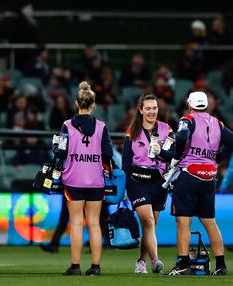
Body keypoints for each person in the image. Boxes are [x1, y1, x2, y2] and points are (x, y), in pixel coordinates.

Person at [166, 91, 233, 276]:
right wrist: (218, 158)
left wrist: (176, 158)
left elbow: (181, 137)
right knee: (210, 222)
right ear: (206, 105)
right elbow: (232, 142)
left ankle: (183, 264)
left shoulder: (188, 119)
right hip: (209, 176)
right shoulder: (217, 123)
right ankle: (221, 265)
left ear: (190, 105)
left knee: (183, 221)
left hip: (189, 175)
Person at [55, 81, 112, 276]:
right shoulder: (102, 126)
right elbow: (108, 154)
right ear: (93, 104)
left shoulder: (67, 125)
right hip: (96, 180)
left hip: (74, 179)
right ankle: (95, 267)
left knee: (77, 223)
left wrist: (57, 147)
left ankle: (75, 266)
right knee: (95, 223)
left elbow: (60, 153)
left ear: (76, 103)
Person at [123, 94, 174, 274]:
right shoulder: (132, 131)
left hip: (158, 181)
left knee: (150, 225)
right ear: (141, 110)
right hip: (137, 180)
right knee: (148, 220)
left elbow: (173, 156)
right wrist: (125, 187)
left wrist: (160, 152)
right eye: (148, 108)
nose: (152, 111)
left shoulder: (166, 129)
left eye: (154, 108)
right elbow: (126, 162)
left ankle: (141, 261)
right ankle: (155, 261)